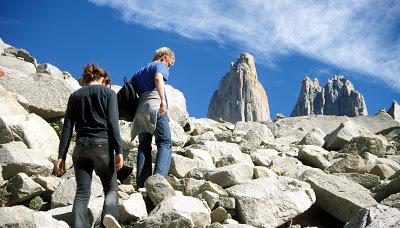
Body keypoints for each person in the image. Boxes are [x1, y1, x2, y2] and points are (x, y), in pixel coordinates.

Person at [56, 63, 124, 228]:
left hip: (80, 148)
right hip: (102, 146)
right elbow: (113, 124)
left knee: (82, 193)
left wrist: (61, 156)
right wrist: (119, 151)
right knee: (111, 188)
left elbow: (67, 128)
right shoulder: (109, 93)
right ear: (103, 79)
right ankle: (109, 215)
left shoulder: (74, 96)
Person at [130, 47, 175, 188]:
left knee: (144, 146)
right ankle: (158, 181)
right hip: (156, 105)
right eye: (170, 64)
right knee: (165, 143)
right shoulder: (160, 65)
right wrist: (163, 100)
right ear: (165, 57)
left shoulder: (138, 72)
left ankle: (142, 184)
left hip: (140, 110)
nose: (168, 67)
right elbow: (158, 78)